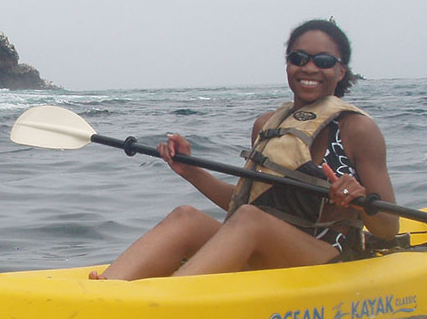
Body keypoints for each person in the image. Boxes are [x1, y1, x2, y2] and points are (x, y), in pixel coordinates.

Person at [93, 19, 399, 280]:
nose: (309, 68)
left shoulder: (357, 129)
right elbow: (245, 206)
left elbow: (388, 228)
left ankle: (165, 301)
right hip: (267, 253)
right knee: (187, 216)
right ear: (288, 63)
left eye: (323, 61)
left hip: (328, 264)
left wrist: (359, 202)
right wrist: (191, 172)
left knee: (251, 221)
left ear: (341, 71)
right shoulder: (267, 125)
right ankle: (106, 289)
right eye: (299, 58)